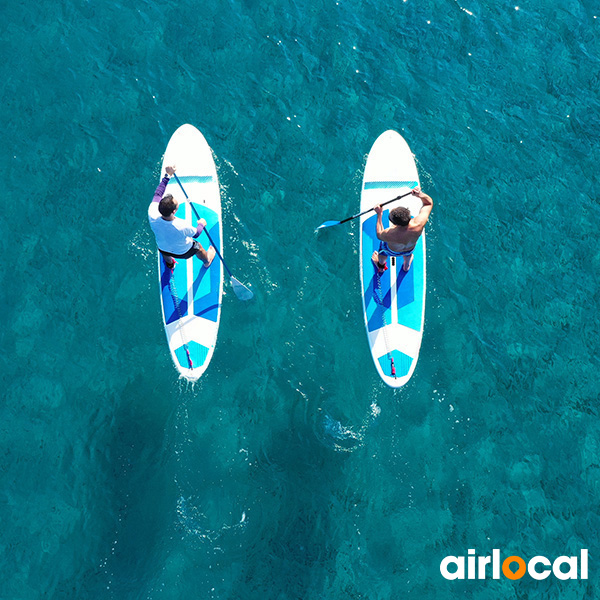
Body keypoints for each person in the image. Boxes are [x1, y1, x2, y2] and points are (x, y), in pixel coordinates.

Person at [148, 165, 216, 270]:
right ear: (174, 211)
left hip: (163, 248)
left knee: (164, 252)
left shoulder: (152, 213)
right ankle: (207, 261)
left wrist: (167, 176)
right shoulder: (181, 225)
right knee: (199, 248)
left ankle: (170, 264)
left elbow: (158, 193)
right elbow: (197, 233)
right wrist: (201, 224)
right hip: (183, 252)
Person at [371, 186, 433, 273]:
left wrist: (379, 214)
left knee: (382, 253)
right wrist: (420, 194)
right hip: (409, 248)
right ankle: (406, 266)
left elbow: (379, 234)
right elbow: (428, 204)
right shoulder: (419, 223)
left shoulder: (390, 234)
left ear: (395, 224)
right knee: (408, 255)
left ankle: (381, 267)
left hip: (392, 250)